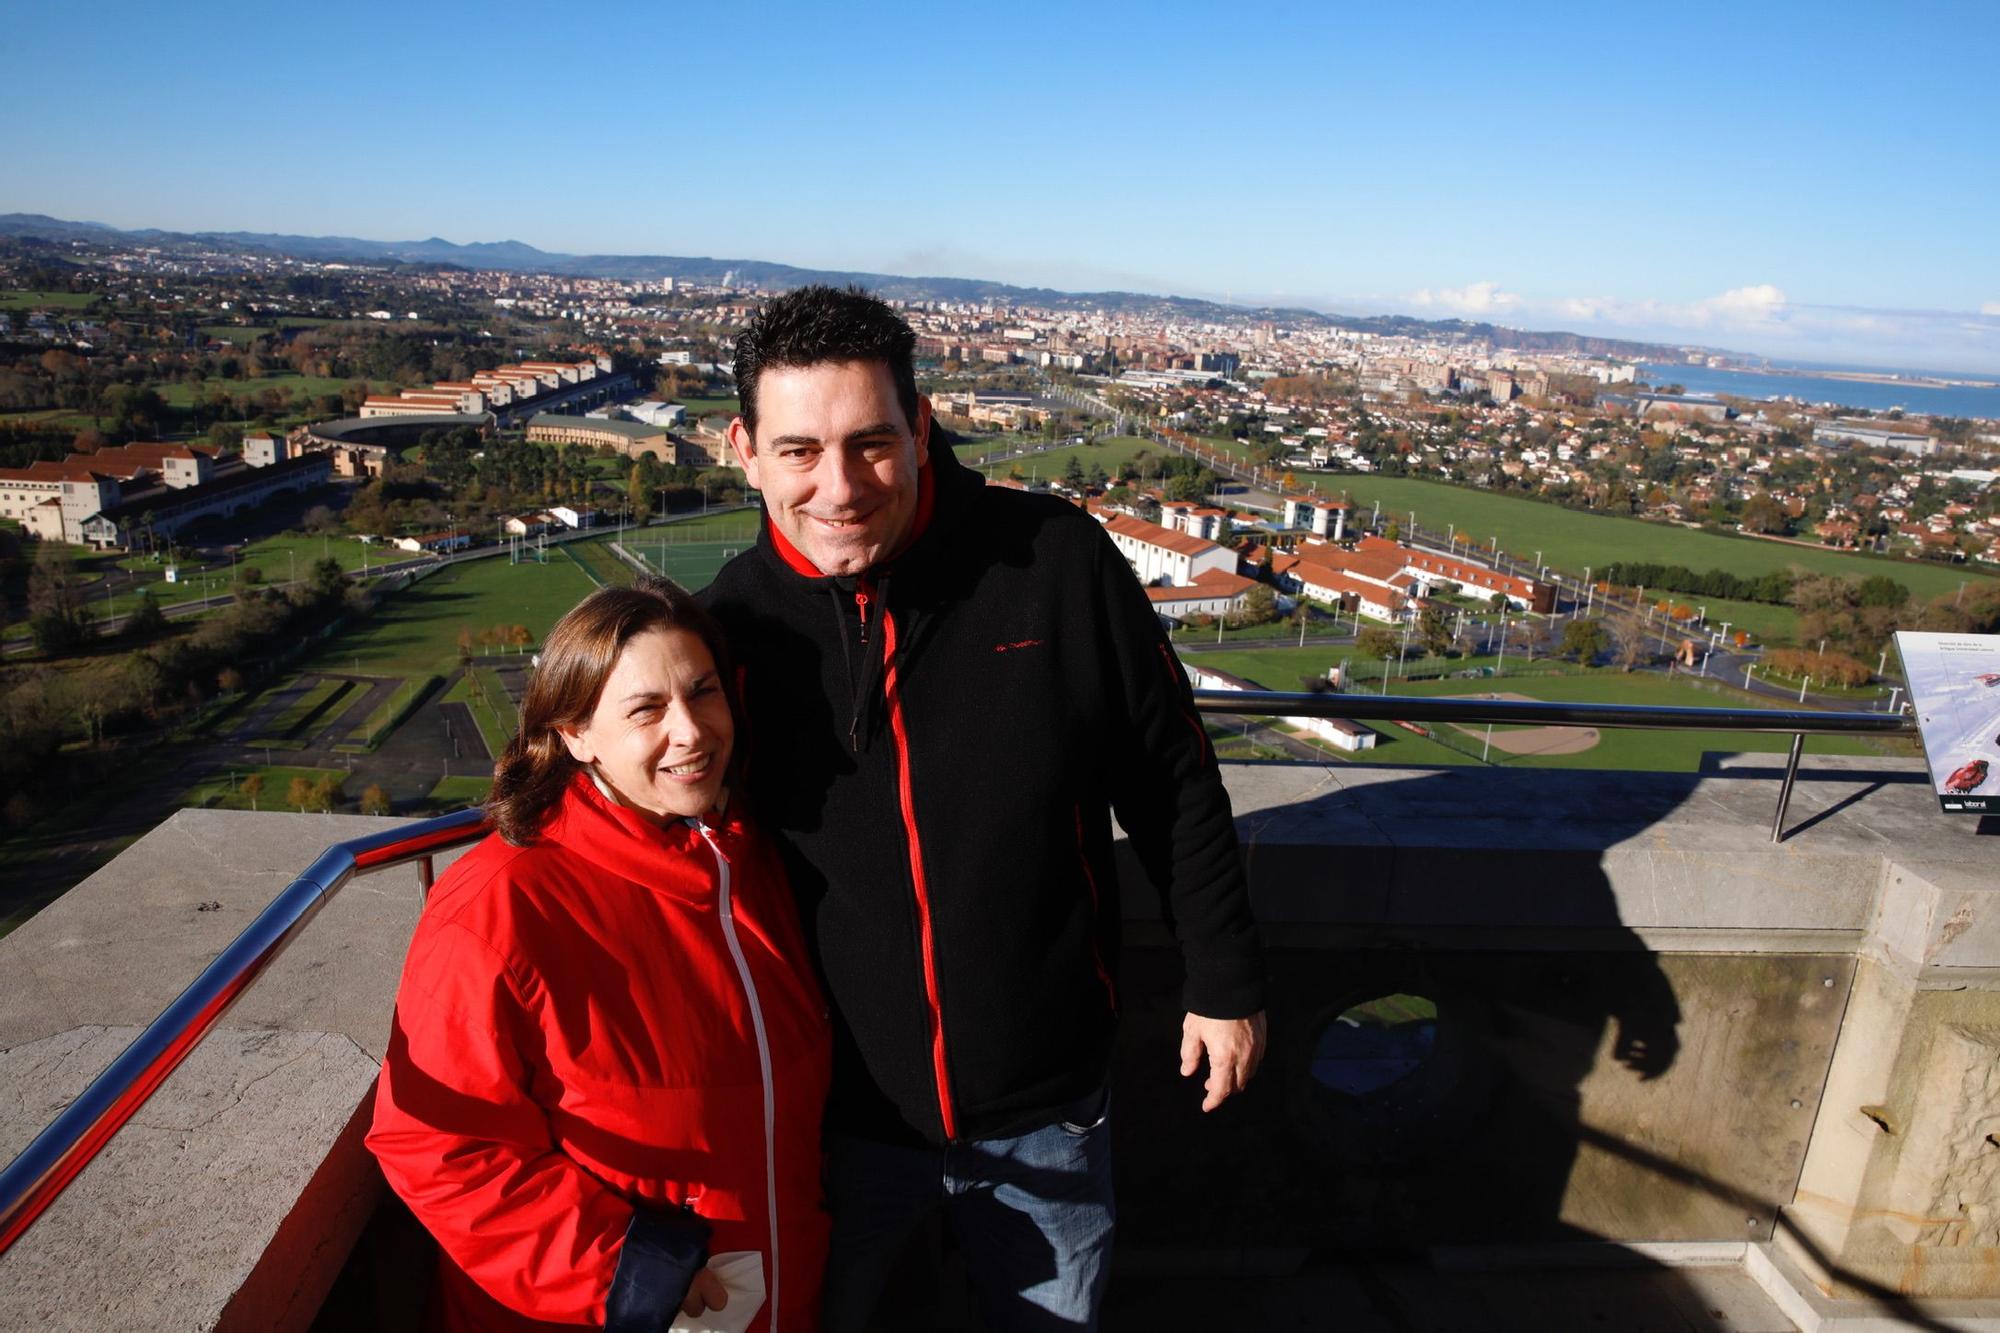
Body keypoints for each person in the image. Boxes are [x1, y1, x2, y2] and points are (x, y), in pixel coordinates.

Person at [703, 285, 1268, 1331]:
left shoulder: (1052, 562)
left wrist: (1223, 976)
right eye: (797, 451)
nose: (838, 486)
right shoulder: (724, 630)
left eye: (871, 442)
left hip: (1044, 1100)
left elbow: (1169, 777)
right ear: (742, 448)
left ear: (920, 427)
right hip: (830, 1121)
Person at [367, 577, 831, 1332]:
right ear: (575, 732)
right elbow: (436, 1144)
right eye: (647, 708)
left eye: (703, 692)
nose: (691, 730)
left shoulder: (750, 862)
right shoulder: (503, 903)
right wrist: (632, 1270)